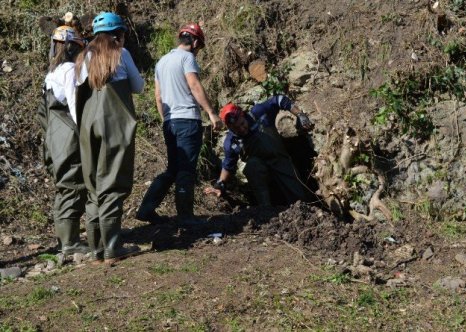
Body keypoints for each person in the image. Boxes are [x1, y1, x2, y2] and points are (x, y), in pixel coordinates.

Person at [136, 23, 223, 225]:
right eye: (199, 47)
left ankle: (146, 209)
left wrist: (166, 118)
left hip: (170, 122)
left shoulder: (162, 62)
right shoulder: (187, 58)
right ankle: (185, 217)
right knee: (186, 170)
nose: (198, 51)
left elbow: (158, 96)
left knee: (172, 170)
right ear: (194, 42)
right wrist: (211, 113)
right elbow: (194, 84)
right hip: (187, 121)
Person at [75, 12, 144, 264]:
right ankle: (113, 247)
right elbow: (138, 87)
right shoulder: (121, 54)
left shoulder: (84, 56)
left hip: (87, 122)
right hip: (115, 121)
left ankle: (96, 250)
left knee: (93, 184)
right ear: (119, 34)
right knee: (113, 182)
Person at [204, 96, 314, 206]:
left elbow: (279, 99)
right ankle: (266, 210)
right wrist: (219, 185)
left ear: (243, 115)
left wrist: (300, 114)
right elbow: (228, 165)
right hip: (261, 169)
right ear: (230, 128)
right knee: (252, 167)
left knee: (300, 197)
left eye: (242, 124)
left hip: (280, 160)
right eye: (236, 129)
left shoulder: (259, 113)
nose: (242, 129)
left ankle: (304, 206)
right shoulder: (231, 142)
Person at [36, 25, 89, 255]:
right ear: (70, 47)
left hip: (53, 138)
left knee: (63, 187)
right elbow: (75, 106)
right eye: (78, 47)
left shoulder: (50, 74)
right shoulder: (68, 70)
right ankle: (70, 243)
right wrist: (86, 135)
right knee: (73, 185)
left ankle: (63, 240)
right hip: (68, 137)